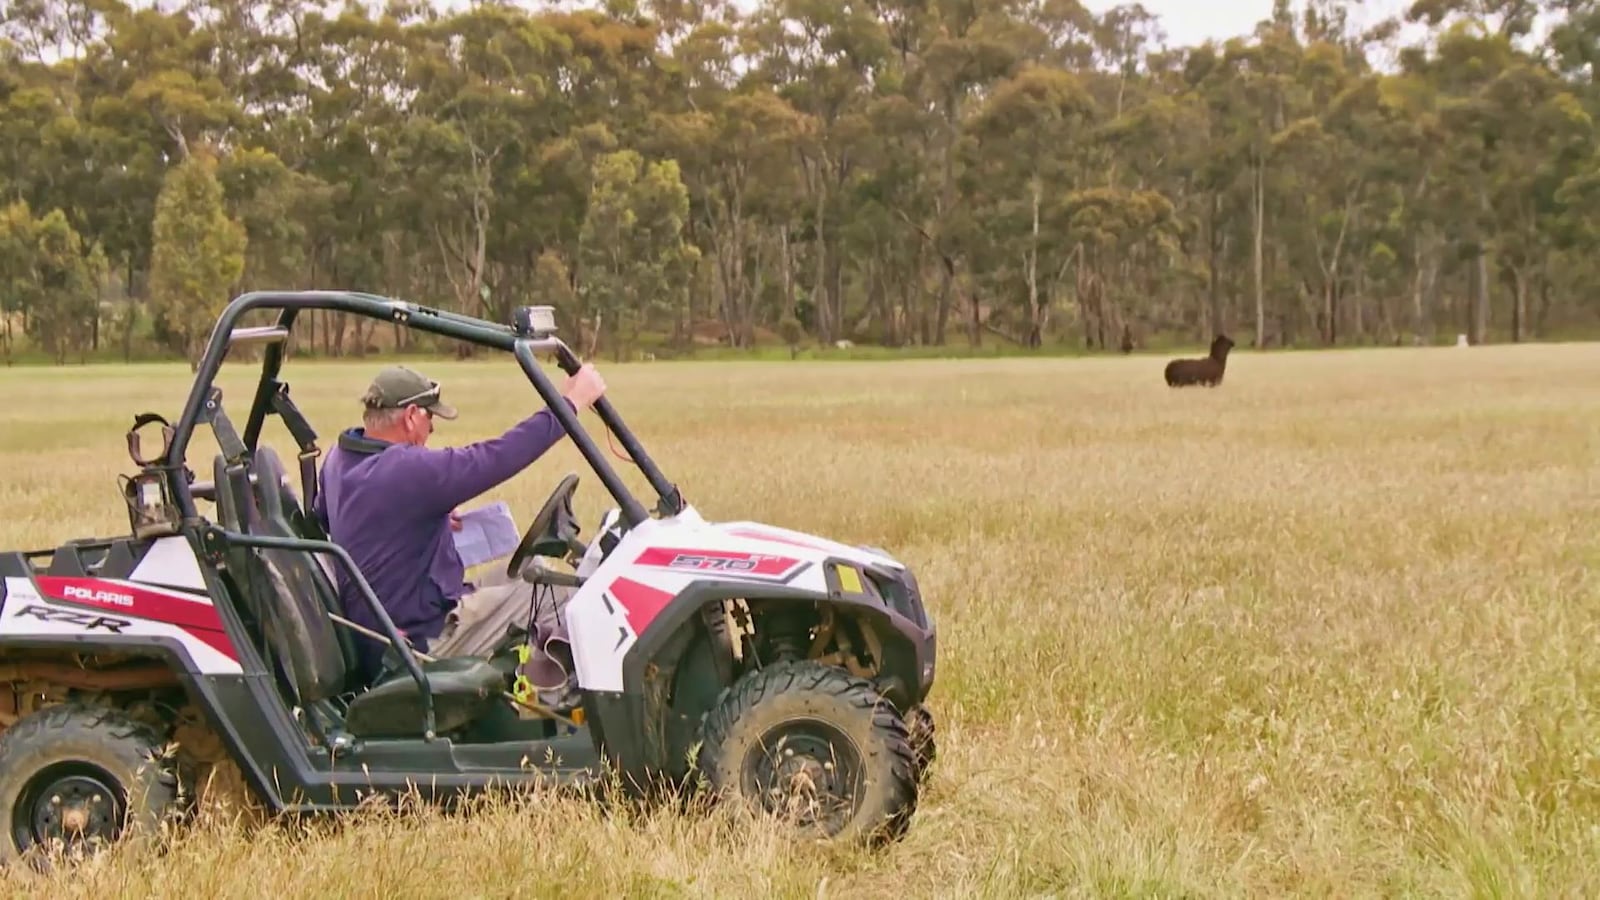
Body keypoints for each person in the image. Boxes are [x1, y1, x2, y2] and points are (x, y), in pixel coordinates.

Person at [311, 362, 606, 710]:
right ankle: (554, 704)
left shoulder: (340, 458)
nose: (432, 427)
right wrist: (570, 403)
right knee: (563, 589)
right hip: (421, 645)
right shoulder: (407, 470)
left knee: (534, 567)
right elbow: (499, 455)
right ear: (410, 416)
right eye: (430, 417)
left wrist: (418, 514)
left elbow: (325, 514)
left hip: (387, 633)